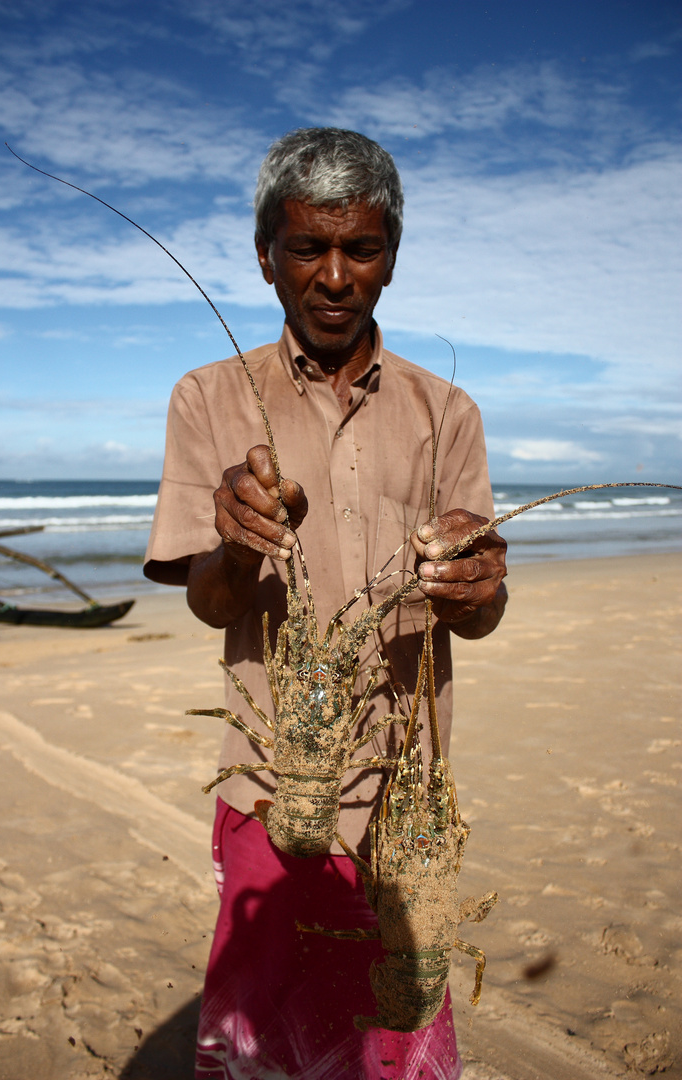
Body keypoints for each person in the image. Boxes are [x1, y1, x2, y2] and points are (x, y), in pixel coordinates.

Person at [144, 127, 507, 1080]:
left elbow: (476, 613)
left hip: (403, 800)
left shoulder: (448, 414)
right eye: (309, 247)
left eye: (362, 248)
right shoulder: (206, 396)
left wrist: (478, 583)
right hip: (269, 790)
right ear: (267, 255)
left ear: (391, 255)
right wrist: (236, 539)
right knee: (262, 1053)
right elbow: (210, 604)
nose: (336, 275)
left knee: (397, 1044)